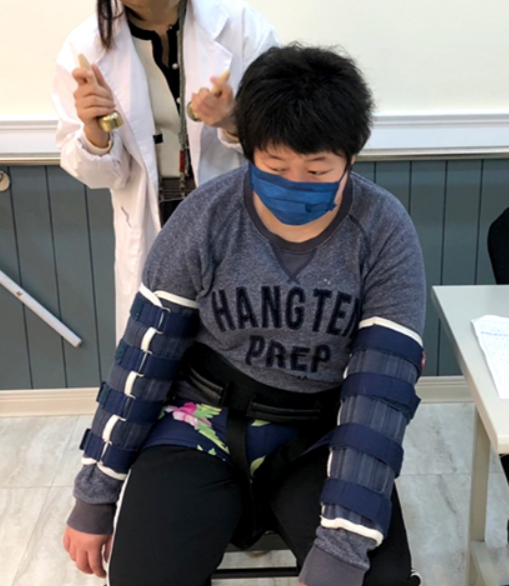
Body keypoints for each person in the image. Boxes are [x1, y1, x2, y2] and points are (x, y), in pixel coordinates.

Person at [62, 45, 427, 586]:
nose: (296, 183)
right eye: (276, 168)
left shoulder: (383, 230)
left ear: (351, 159)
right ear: (249, 150)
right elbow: (143, 357)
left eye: (318, 170)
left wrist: (344, 546)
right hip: (201, 423)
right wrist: (95, 495)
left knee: (375, 579)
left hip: (318, 434)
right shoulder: (206, 217)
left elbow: (381, 394)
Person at [52, 0, 279, 340]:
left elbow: (285, 139)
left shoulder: (240, 26)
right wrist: (95, 134)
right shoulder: (85, 49)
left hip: (234, 214)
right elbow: (98, 175)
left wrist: (234, 123)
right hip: (152, 225)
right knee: (159, 347)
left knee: (239, 341)